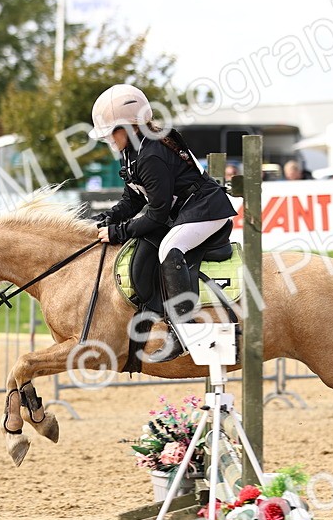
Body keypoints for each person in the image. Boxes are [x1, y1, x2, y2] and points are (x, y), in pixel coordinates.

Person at [90, 84, 237, 359]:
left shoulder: (152, 153)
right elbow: (133, 200)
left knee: (169, 249)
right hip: (187, 211)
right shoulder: (133, 151)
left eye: (111, 132)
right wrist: (108, 218)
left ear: (129, 126)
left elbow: (157, 213)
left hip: (206, 210)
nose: (108, 140)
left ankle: (184, 332)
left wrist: (119, 231)